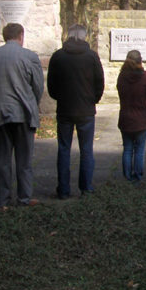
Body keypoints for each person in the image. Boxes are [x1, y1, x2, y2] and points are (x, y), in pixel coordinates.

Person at [0, 23, 44, 206]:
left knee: (2, 158)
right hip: (23, 112)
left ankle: (3, 197)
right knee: (24, 159)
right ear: (21, 36)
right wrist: (33, 104)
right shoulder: (30, 56)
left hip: (0, 111)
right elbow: (38, 86)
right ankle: (24, 197)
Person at [47, 25, 105, 198]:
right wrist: (93, 99)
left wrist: (60, 98)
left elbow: (51, 85)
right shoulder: (91, 57)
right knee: (86, 150)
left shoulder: (58, 56)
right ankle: (86, 187)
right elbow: (99, 82)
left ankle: (63, 190)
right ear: (84, 36)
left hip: (65, 108)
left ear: (69, 35)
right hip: (85, 109)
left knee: (64, 149)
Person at [116, 50, 146, 183]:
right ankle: (137, 176)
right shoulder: (145, 76)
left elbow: (120, 91)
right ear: (140, 61)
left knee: (127, 149)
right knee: (139, 150)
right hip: (141, 118)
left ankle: (127, 176)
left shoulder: (122, 76)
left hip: (126, 117)